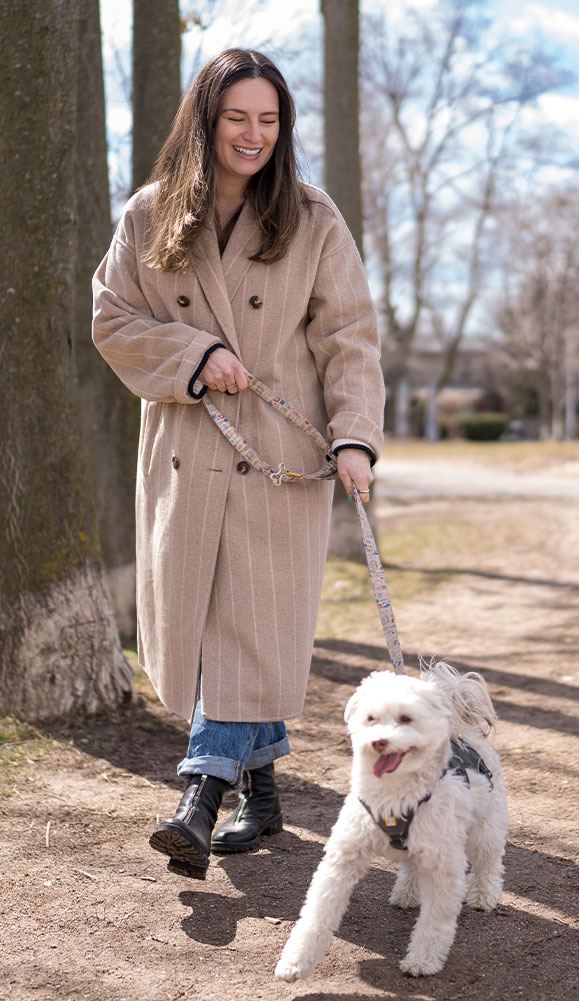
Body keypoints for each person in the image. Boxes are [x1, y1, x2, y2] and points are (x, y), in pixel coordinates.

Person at [92, 48, 385, 881]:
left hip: (277, 458)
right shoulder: (150, 216)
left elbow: (349, 337)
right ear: (205, 120)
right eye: (237, 118)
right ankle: (262, 790)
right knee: (211, 628)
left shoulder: (313, 216)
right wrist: (192, 352)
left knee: (247, 627)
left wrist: (355, 435)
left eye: (269, 119)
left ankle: (198, 793)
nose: (254, 134)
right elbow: (111, 318)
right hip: (188, 448)